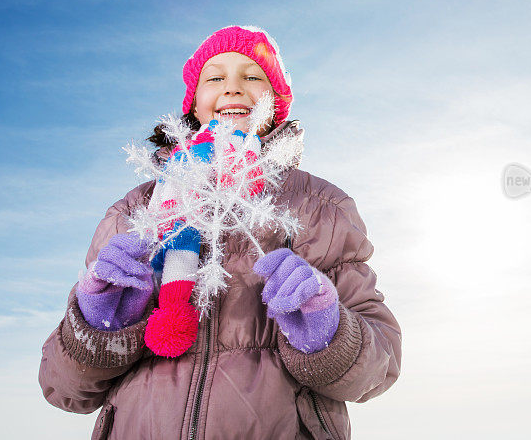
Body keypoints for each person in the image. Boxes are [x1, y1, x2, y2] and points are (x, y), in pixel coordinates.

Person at [38, 25, 402, 440]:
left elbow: (381, 367)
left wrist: (327, 332)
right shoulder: (135, 211)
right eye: (215, 77)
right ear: (193, 103)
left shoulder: (321, 206)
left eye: (252, 76)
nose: (232, 88)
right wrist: (98, 325)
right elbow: (65, 390)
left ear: (276, 104)